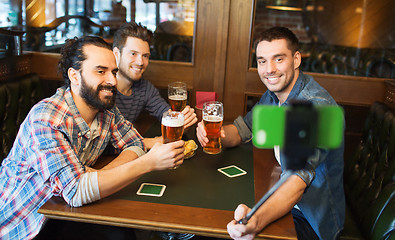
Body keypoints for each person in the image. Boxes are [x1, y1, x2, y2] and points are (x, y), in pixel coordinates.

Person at [0, 36, 185, 239]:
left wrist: (98, 176)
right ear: (74, 75)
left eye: (113, 72)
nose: (112, 81)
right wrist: (148, 163)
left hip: (64, 212)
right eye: (100, 71)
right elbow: (76, 191)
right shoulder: (47, 118)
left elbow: (135, 142)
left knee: (124, 233)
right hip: (24, 224)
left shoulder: (106, 109)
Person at [196, 27, 345, 240]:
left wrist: (255, 221)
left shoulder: (316, 108)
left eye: (278, 59)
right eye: (262, 61)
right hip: (279, 193)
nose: (269, 69)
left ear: (296, 60)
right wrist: (215, 133)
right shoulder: (274, 95)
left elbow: (296, 179)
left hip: (308, 218)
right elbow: (241, 131)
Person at [112, 22, 197, 134]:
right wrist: (154, 142)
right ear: (117, 54)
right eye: (133, 54)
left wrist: (184, 121)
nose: (140, 62)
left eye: (145, 56)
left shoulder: (145, 89)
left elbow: (170, 119)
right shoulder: (104, 88)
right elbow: (106, 140)